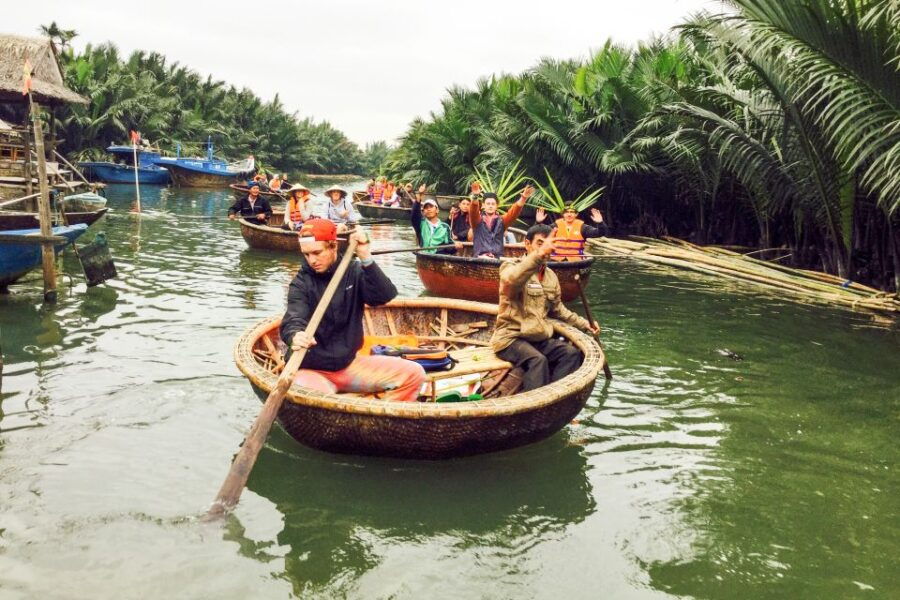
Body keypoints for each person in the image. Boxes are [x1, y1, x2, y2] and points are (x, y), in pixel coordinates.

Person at [280, 219, 426, 401]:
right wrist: (296, 335)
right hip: (311, 369)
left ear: (333, 246)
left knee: (415, 374)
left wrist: (366, 257)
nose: (312, 261)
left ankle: (382, 421)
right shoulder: (301, 283)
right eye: (307, 255)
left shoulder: (354, 272)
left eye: (317, 252)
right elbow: (294, 318)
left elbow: (384, 295)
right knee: (323, 403)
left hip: (348, 365)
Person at [491, 224, 599, 392]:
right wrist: (539, 255)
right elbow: (510, 282)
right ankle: (532, 406)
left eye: (548, 244)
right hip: (511, 338)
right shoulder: (510, 266)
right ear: (527, 244)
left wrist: (586, 324)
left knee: (571, 354)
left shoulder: (551, 277)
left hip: (537, 337)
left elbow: (558, 310)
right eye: (539, 243)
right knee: (538, 361)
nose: (545, 248)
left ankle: (556, 397)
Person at [468, 185, 534, 258]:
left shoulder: (502, 220)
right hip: (479, 257)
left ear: (497, 206)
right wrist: (475, 196)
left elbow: (513, 213)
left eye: (493, 204)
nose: (490, 206)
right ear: (483, 205)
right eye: (488, 204)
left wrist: (523, 198)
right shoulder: (477, 221)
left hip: (497, 258)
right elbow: (473, 211)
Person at [535, 206, 608, 260]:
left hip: (576, 261)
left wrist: (600, 223)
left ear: (576, 214)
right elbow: (537, 233)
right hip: (556, 260)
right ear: (563, 214)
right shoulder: (555, 226)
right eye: (567, 212)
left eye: (572, 212)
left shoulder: (583, 227)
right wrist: (538, 222)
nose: (569, 214)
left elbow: (600, 233)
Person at [411, 184, 459, 254]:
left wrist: (456, 247)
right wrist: (419, 197)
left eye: (431, 207)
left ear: (437, 210)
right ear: (423, 212)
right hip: (424, 255)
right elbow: (414, 215)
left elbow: (449, 248)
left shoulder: (445, 227)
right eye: (426, 208)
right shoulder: (421, 224)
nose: (428, 209)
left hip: (439, 257)